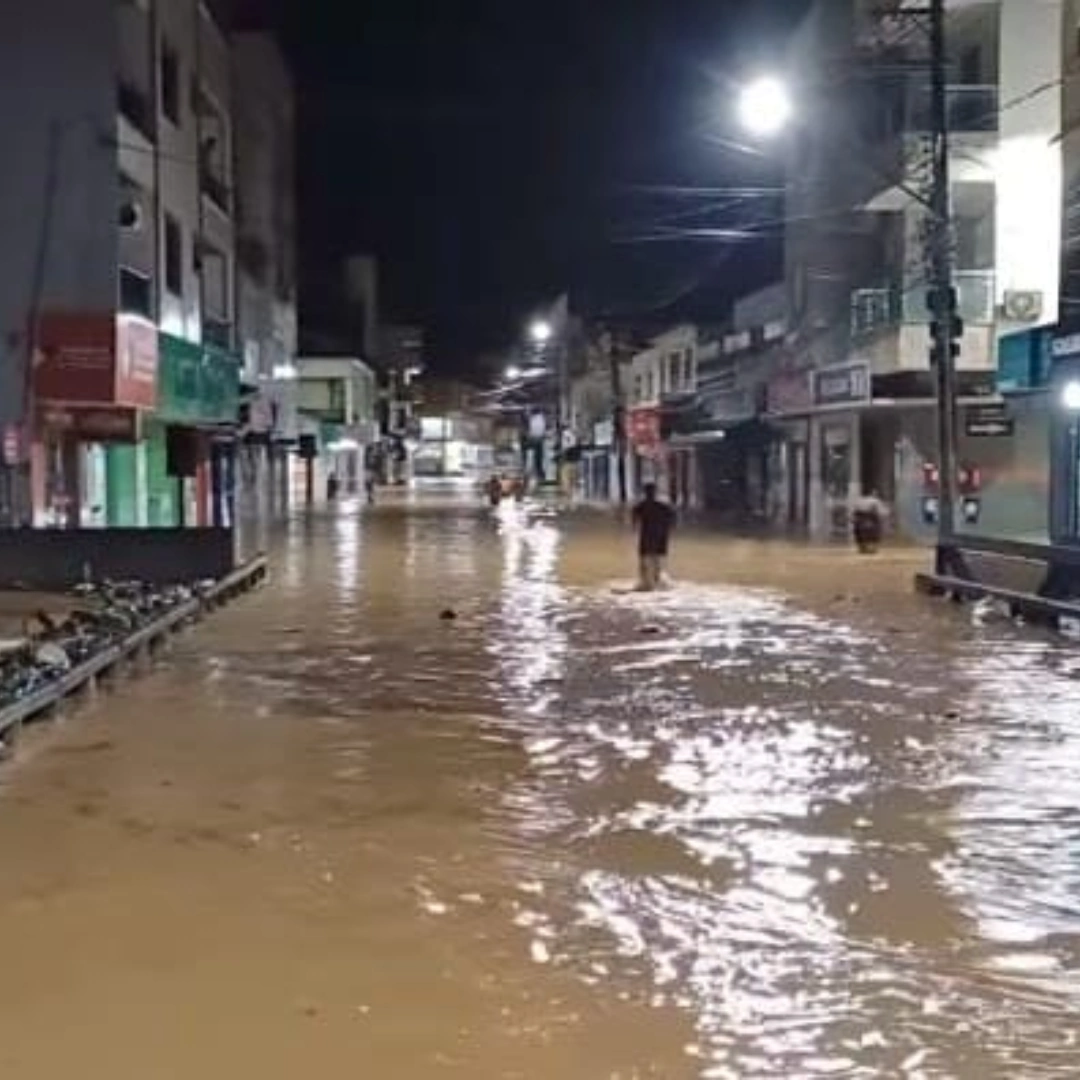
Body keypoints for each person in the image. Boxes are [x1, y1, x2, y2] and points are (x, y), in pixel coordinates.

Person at [631, 482, 676, 591]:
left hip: (647, 536)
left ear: (645, 493)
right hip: (660, 536)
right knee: (657, 560)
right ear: (655, 493)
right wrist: (667, 530)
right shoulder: (663, 507)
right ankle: (657, 581)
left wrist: (634, 529)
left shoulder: (640, 507)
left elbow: (634, 522)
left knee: (645, 560)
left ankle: (645, 582)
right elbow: (672, 519)